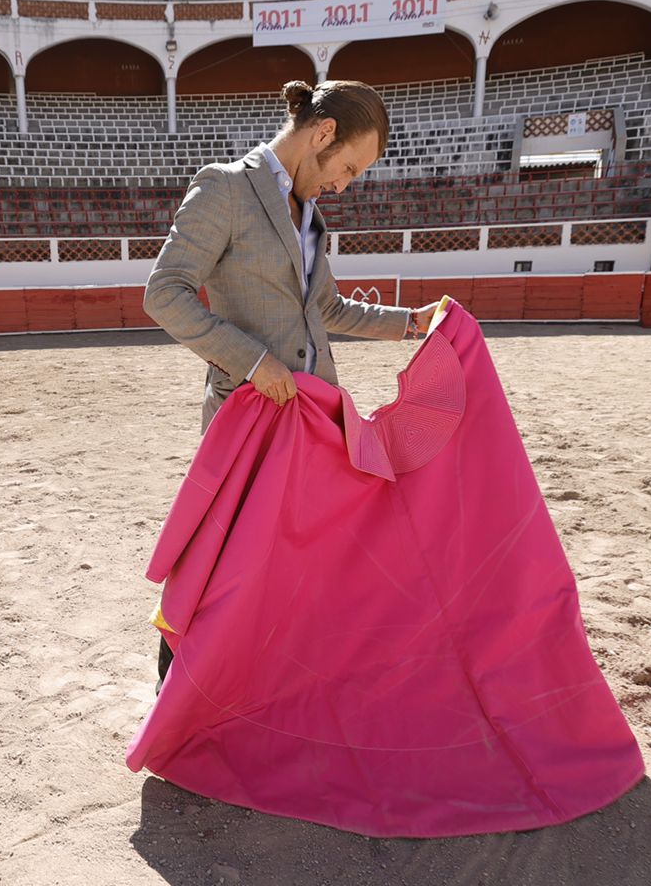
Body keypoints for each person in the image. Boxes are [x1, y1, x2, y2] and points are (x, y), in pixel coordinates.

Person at [143, 79, 439, 692]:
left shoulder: (310, 216)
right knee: (220, 558)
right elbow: (164, 292)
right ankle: (176, 692)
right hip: (248, 415)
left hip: (307, 419)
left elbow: (325, 307)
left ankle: (265, 687)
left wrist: (407, 324)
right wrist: (253, 361)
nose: (344, 185)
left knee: (292, 559)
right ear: (322, 134)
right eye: (349, 168)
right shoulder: (225, 188)